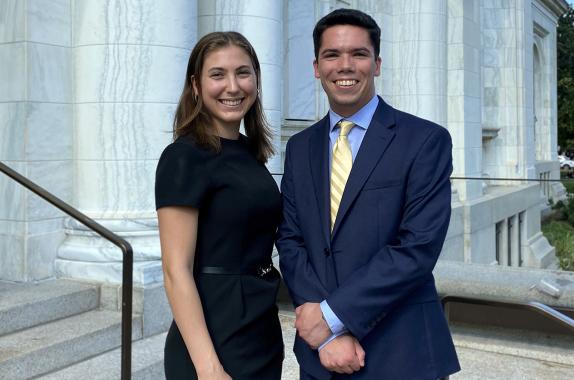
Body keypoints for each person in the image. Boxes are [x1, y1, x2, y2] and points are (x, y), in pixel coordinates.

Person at [276, 8, 460, 379]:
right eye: (332, 55)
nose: (345, 66)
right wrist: (325, 337)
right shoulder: (299, 147)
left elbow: (416, 248)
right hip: (320, 358)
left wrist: (330, 318)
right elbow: (291, 240)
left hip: (401, 352)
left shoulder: (425, 141)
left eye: (358, 54)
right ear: (316, 67)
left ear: (376, 64)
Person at [155, 31, 284, 380]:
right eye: (218, 75)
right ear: (196, 85)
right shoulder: (183, 157)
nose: (233, 86)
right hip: (213, 337)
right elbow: (175, 271)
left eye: (243, 72)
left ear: (256, 79)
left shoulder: (249, 152)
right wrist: (209, 367)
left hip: (260, 329)